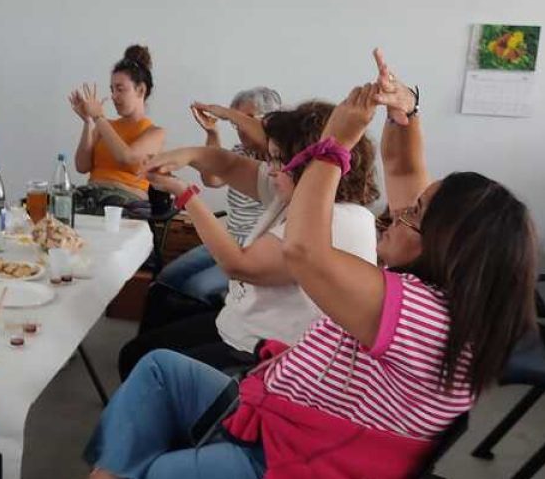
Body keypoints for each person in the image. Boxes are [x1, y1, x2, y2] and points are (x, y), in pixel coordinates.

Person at [85, 51, 538, 479]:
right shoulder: (440, 291)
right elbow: (402, 172)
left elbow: (304, 253)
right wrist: (404, 110)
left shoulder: (423, 315)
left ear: (448, 246)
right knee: (159, 368)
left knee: (152, 471)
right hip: (282, 413)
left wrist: (335, 143)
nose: (397, 214)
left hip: (293, 457)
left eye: (414, 215)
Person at [118, 101, 379, 378]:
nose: (271, 169)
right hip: (243, 327)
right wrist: (188, 154)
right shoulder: (294, 190)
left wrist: (185, 195)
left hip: (271, 355)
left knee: (143, 362)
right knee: (139, 351)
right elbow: (229, 165)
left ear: (311, 164)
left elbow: (240, 265)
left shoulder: (342, 220)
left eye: (279, 159)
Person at [155, 87, 282, 307]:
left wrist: (224, 111)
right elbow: (211, 179)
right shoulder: (239, 152)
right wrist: (212, 134)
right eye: (236, 121)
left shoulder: (281, 162)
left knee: (196, 288)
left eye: (248, 118)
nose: (240, 128)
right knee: (167, 278)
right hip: (227, 241)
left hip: (254, 252)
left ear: (269, 120)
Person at [69, 45, 166, 213]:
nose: (114, 96)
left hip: (126, 203)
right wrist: (88, 121)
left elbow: (126, 157)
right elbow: (82, 166)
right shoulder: (105, 126)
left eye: (120, 89)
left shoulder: (155, 133)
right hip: (92, 196)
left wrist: (99, 117)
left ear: (141, 90)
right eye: (112, 90)